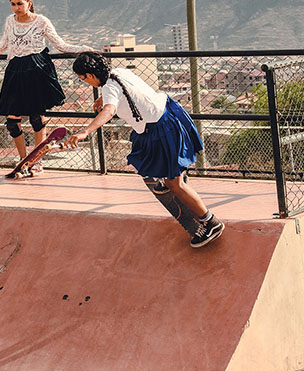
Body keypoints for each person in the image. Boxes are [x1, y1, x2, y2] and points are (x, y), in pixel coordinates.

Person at [66, 52, 225, 247]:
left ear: (89, 75)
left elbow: (109, 110)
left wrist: (85, 131)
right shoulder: (119, 72)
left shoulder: (109, 89)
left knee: (175, 184)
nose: (85, 83)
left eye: (83, 79)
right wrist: (103, 98)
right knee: (146, 156)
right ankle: (170, 176)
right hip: (168, 113)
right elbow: (126, 92)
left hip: (160, 127)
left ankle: (210, 222)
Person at [0, 0, 95, 173]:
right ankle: (23, 160)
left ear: (29, 3)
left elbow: (61, 45)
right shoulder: (10, 21)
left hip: (37, 71)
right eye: (13, 4)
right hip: (16, 71)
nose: (16, 8)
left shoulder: (41, 21)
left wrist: (86, 49)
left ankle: (37, 160)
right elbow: (3, 44)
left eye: (20, 4)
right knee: (12, 122)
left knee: (37, 119)